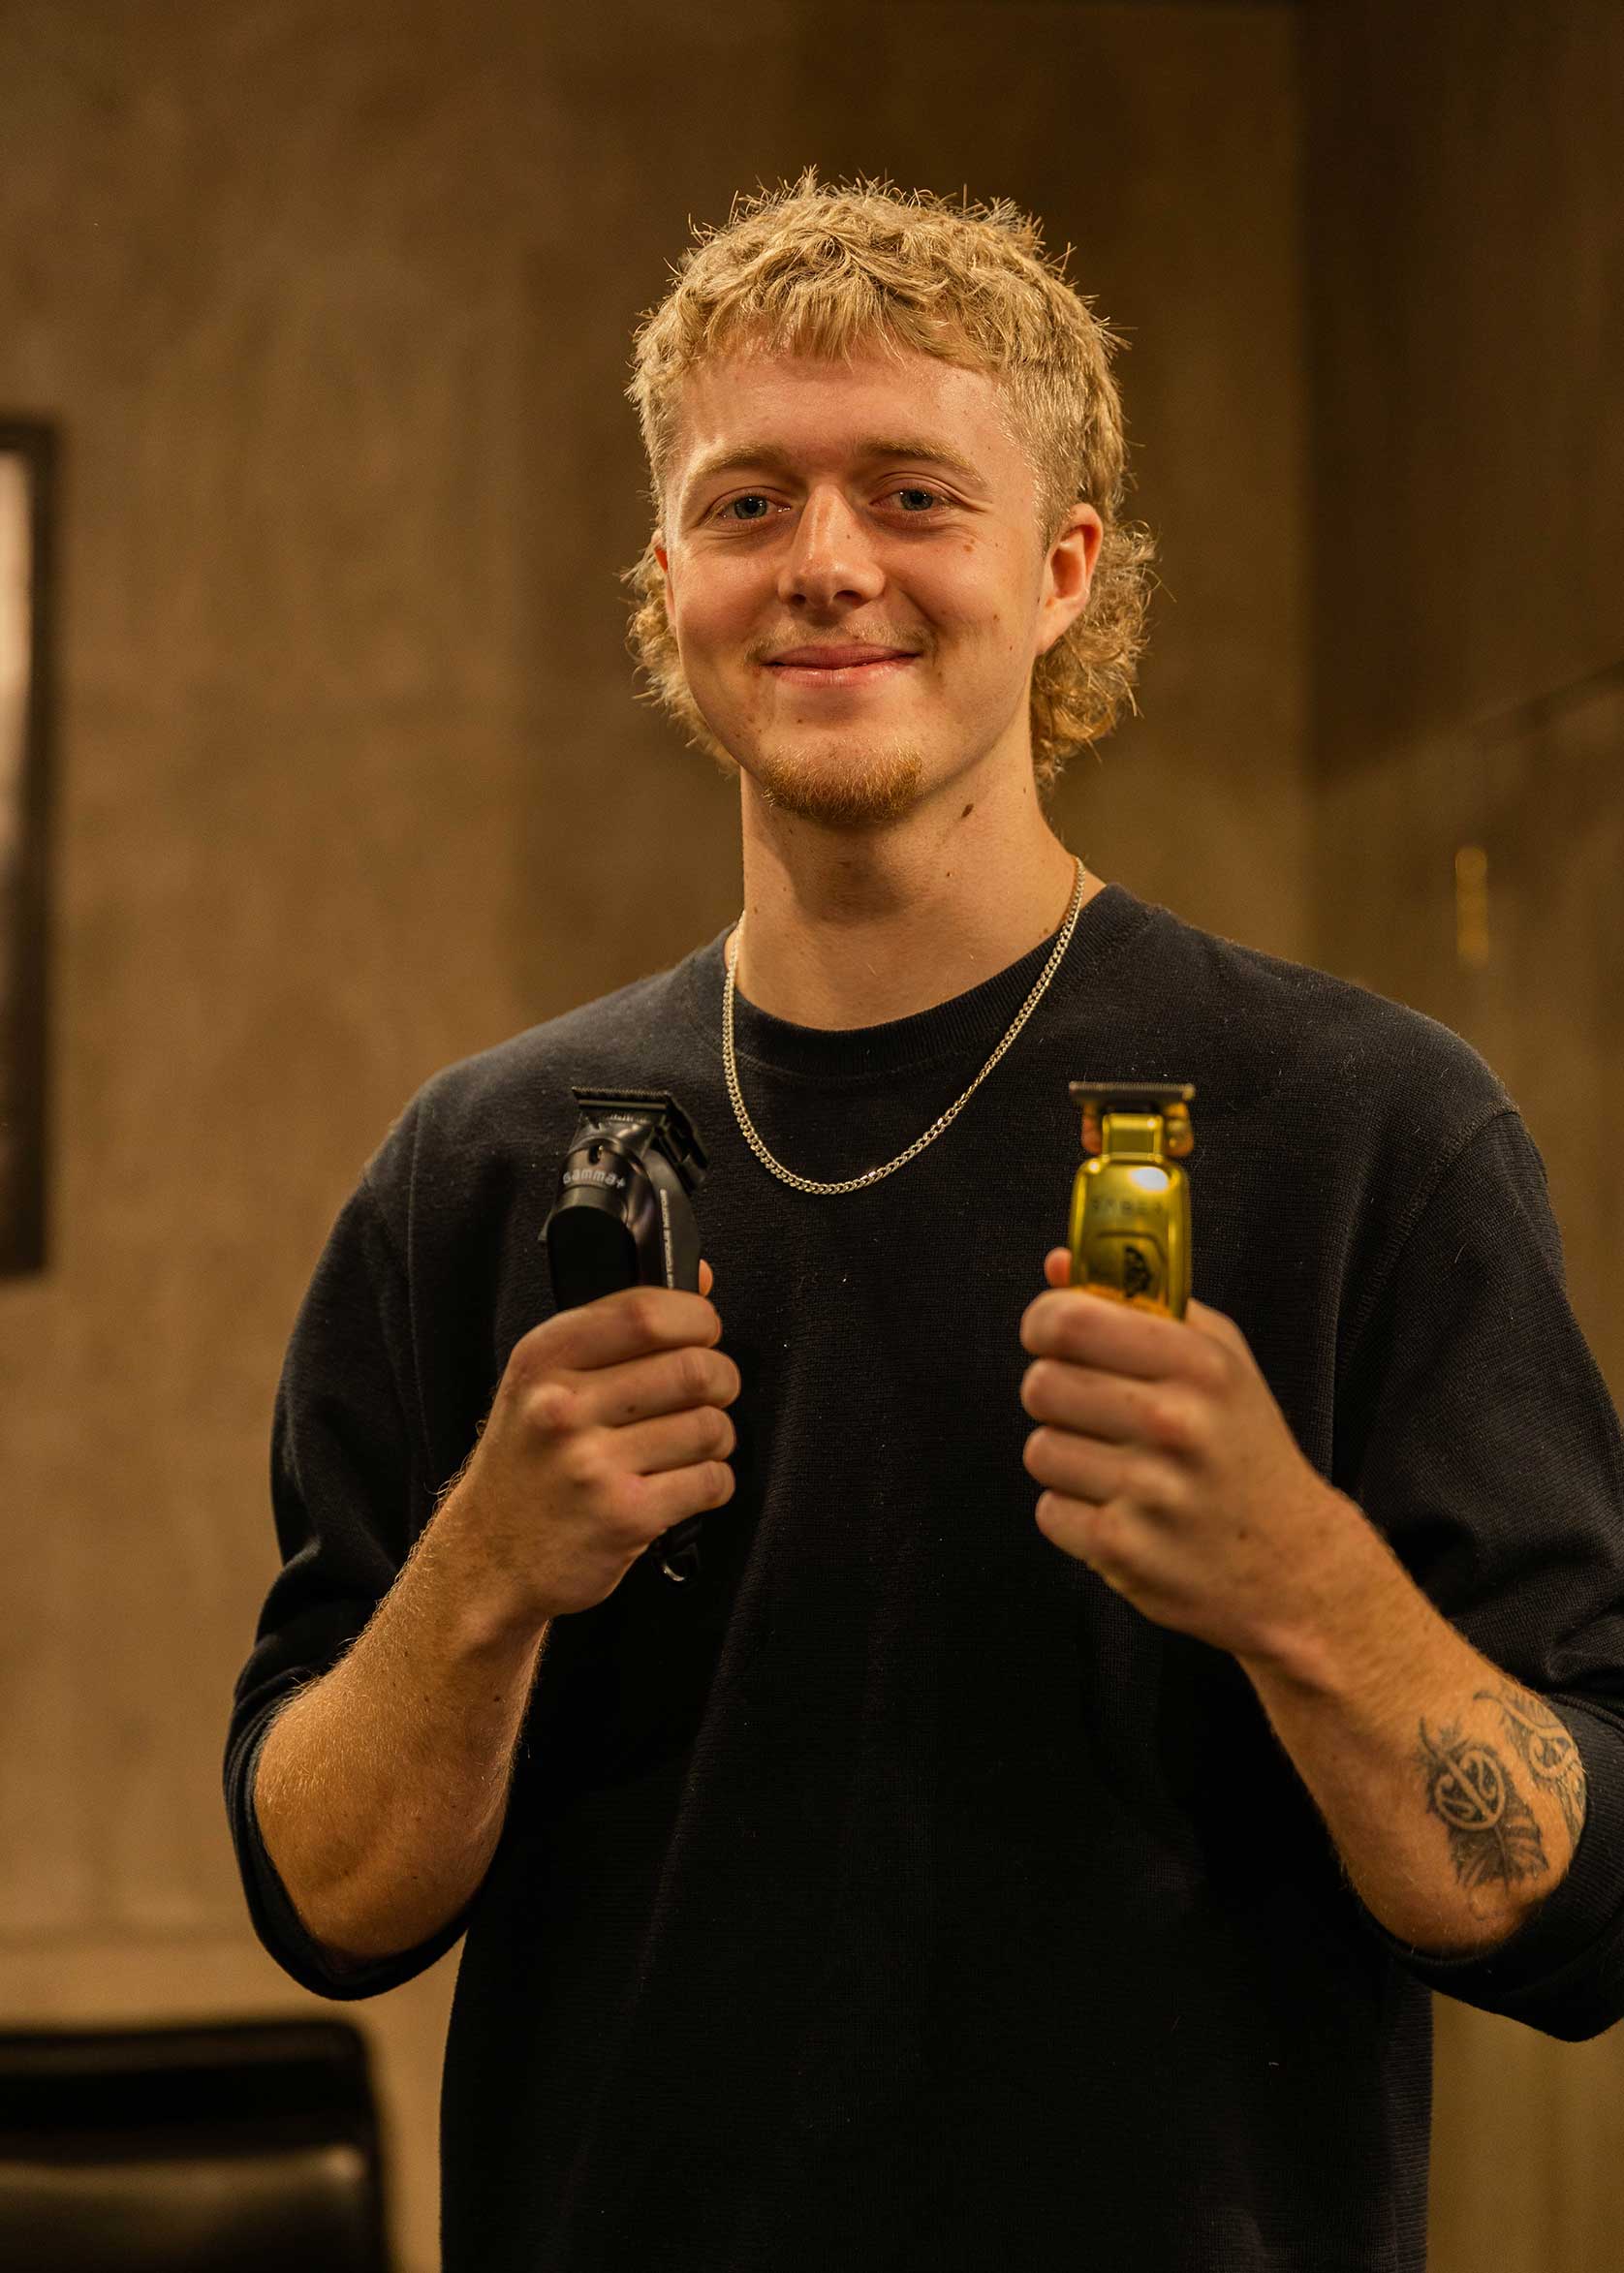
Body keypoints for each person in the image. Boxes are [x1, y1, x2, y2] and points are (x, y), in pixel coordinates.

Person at [226, 168, 1624, 2272]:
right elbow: (326, 1900)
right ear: (669, 577)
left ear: (1063, 572)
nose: (824, 563)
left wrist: (1303, 1585)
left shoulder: (1368, 1134)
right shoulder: (478, 1167)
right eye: (746, 502)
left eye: (911, 494)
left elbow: (1573, 1906)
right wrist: (489, 1570)